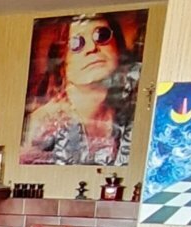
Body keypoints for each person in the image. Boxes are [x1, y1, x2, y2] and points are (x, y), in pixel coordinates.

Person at [20, 15, 137, 166]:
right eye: (76, 43)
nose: (91, 48)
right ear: (62, 61)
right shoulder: (41, 125)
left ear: (118, 48)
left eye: (101, 35)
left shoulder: (130, 115)